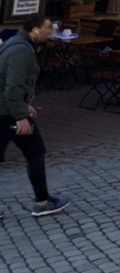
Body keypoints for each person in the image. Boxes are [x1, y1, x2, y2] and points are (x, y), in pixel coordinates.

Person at [0, 14, 69, 217]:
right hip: (7, 113)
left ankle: (42, 199)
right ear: (36, 30)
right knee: (35, 152)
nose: (51, 32)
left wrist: (24, 105)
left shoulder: (16, 43)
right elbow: (12, 87)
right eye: (48, 28)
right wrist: (21, 115)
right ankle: (42, 201)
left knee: (35, 152)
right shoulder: (22, 51)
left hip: (8, 109)